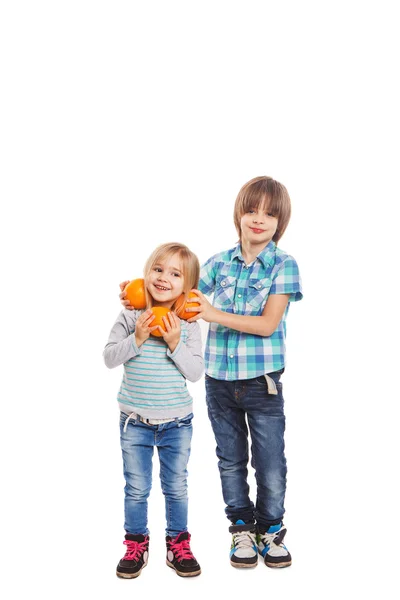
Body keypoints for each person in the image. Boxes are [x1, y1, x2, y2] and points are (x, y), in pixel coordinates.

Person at [120, 176, 303, 570]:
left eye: (269, 214)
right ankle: (240, 527)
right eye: (252, 210)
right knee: (230, 459)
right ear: (239, 213)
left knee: (269, 460)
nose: (258, 219)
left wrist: (212, 313)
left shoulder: (284, 265)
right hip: (220, 381)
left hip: (262, 381)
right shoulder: (218, 263)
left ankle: (270, 529)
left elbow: (268, 324)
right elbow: (174, 295)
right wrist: (137, 291)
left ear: (279, 222)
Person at [105, 242, 203, 579]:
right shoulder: (131, 316)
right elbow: (109, 357)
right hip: (134, 422)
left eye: (175, 274)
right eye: (158, 269)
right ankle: (136, 543)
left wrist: (176, 343)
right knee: (136, 488)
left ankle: (178, 543)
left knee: (176, 487)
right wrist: (139, 337)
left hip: (177, 422)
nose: (164, 278)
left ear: (187, 287)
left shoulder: (188, 324)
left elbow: (195, 372)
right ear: (146, 274)